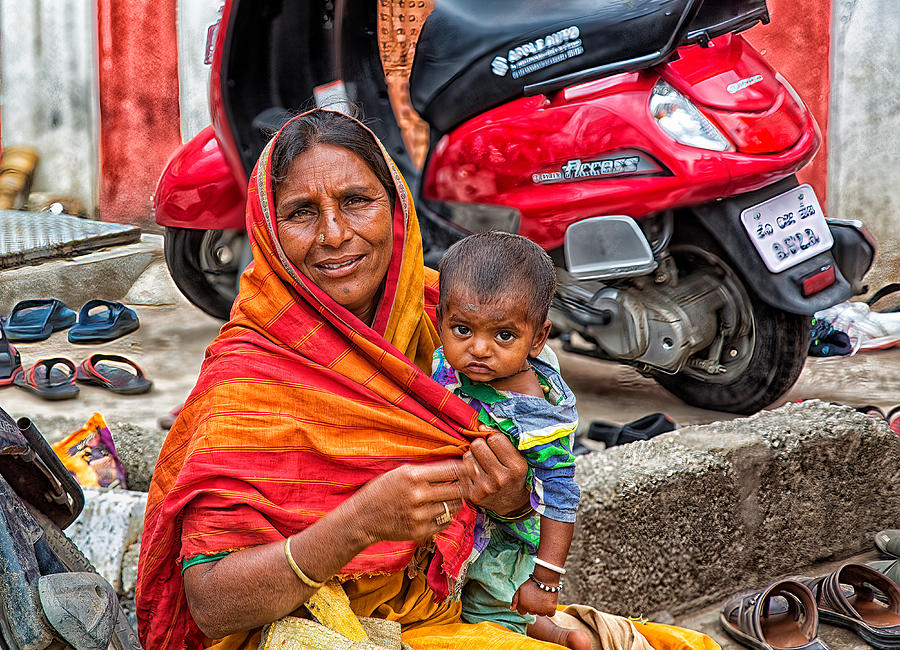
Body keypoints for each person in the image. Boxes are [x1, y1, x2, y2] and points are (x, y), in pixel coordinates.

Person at [135, 108, 720, 650]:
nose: (335, 235)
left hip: (457, 610)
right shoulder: (250, 376)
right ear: (267, 227)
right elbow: (210, 604)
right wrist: (359, 523)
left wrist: (512, 497)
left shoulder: (455, 316)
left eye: (356, 201)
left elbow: (529, 493)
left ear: (396, 211)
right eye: (301, 212)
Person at [431, 232, 585, 648]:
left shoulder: (534, 414)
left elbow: (561, 493)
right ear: (440, 320)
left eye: (503, 336)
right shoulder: (448, 359)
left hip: (504, 535)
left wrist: (546, 579)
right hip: (462, 515)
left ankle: (551, 636)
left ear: (537, 338)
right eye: (462, 328)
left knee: (486, 613)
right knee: (491, 603)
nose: (478, 349)